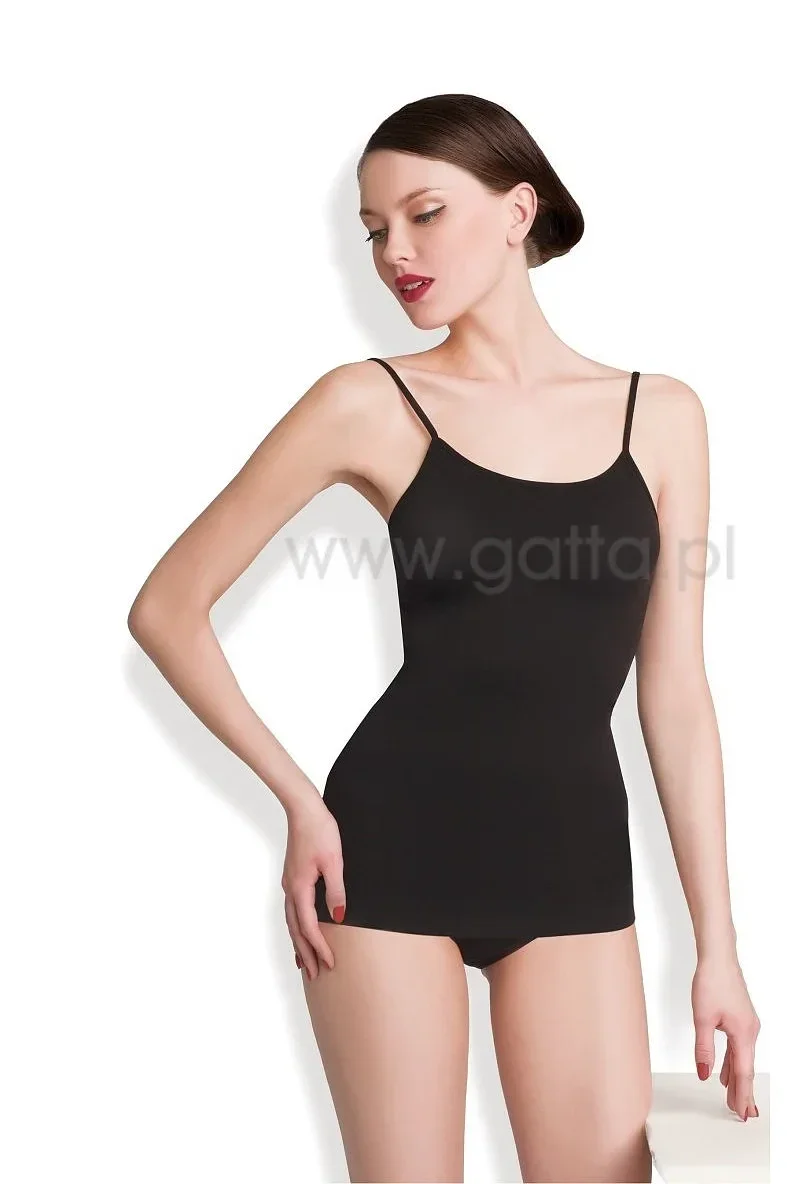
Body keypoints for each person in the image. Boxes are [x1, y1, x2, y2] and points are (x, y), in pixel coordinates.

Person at [128, 93, 761, 1183]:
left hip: (571, 861)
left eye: (423, 214)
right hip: (385, 854)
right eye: (375, 230)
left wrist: (719, 948)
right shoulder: (366, 402)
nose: (395, 253)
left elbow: (675, 694)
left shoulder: (661, 415)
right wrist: (299, 801)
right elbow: (167, 607)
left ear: (518, 211)